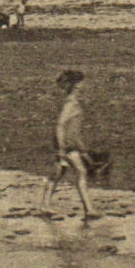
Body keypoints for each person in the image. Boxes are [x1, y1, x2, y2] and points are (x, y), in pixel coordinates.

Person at [39, 69, 96, 219]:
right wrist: (62, 148)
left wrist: (80, 148)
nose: (82, 87)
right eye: (79, 85)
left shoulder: (72, 102)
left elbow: (71, 128)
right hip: (67, 145)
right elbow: (60, 124)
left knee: (58, 173)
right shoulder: (70, 104)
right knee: (81, 172)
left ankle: (45, 205)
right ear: (75, 86)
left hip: (68, 144)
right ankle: (89, 209)